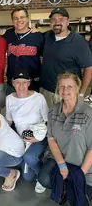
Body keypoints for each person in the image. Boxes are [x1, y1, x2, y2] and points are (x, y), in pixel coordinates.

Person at [38, 72, 92, 204]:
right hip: (60, 159)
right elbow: (51, 139)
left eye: (70, 86)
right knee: (44, 179)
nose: (65, 90)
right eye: (62, 86)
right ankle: (64, 188)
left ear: (77, 88)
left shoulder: (88, 114)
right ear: (57, 88)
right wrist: (62, 165)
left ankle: (66, 187)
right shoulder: (53, 111)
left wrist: (79, 175)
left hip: (82, 165)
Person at [6, 69, 49, 193]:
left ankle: (42, 177)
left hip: (37, 137)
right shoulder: (9, 99)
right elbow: (9, 122)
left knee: (29, 158)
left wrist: (38, 138)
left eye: (24, 82)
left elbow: (47, 121)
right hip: (21, 138)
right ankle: (31, 160)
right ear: (12, 83)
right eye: (18, 82)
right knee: (27, 177)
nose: (21, 86)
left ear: (29, 83)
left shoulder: (39, 98)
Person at [40, 7, 92, 109]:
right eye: (53, 19)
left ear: (68, 22)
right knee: (48, 121)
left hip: (67, 93)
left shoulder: (78, 42)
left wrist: (81, 93)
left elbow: (89, 68)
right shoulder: (46, 37)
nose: (57, 22)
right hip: (46, 91)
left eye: (61, 19)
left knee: (68, 122)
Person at [3, 6, 44, 94]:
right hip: (12, 83)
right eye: (16, 18)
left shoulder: (38, 36)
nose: (19, 20)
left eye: (22, 17)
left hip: (32, 84)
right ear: (12, 20)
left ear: (27, 18)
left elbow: (46, 58)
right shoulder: (8, 34)